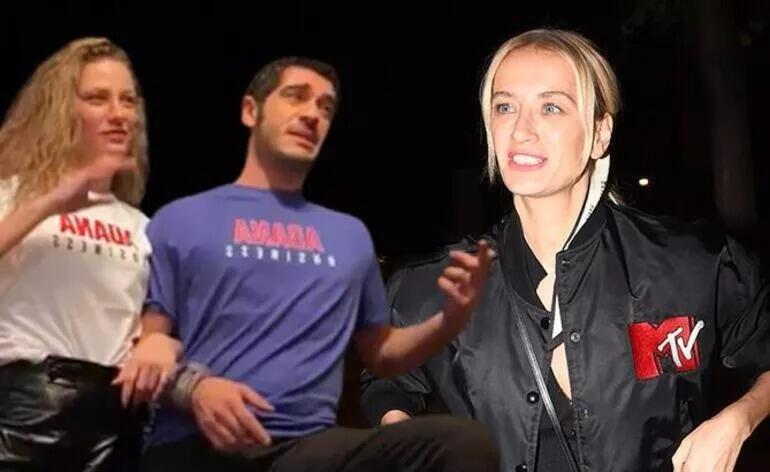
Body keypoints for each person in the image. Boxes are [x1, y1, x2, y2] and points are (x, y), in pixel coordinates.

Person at [360, 29, 770, 472]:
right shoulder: (437, 286)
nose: (521, 129)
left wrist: (738, 419)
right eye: (504, 107)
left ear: (599, 133)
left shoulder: (691, 264)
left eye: (551, 107)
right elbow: (389, 378)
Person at [126, 56, 500, 472]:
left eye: (325, 107)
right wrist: (195, 390)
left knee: (463, 444)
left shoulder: (348, 236)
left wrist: (448, 321)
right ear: (250, 110)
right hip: (199, 439)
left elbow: (382, 354)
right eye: (295, 97)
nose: (312, 114)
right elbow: (141, 347)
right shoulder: (183, 220)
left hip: (303, 448)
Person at [0, 38, 155, 471]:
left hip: (116, 419)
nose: (119, 114)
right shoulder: (10, 195)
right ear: (60, 110)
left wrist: (153, 342)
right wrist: (47, 203)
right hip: (23, 412)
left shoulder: (142, 226)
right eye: (97, 98)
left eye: (128, 100)